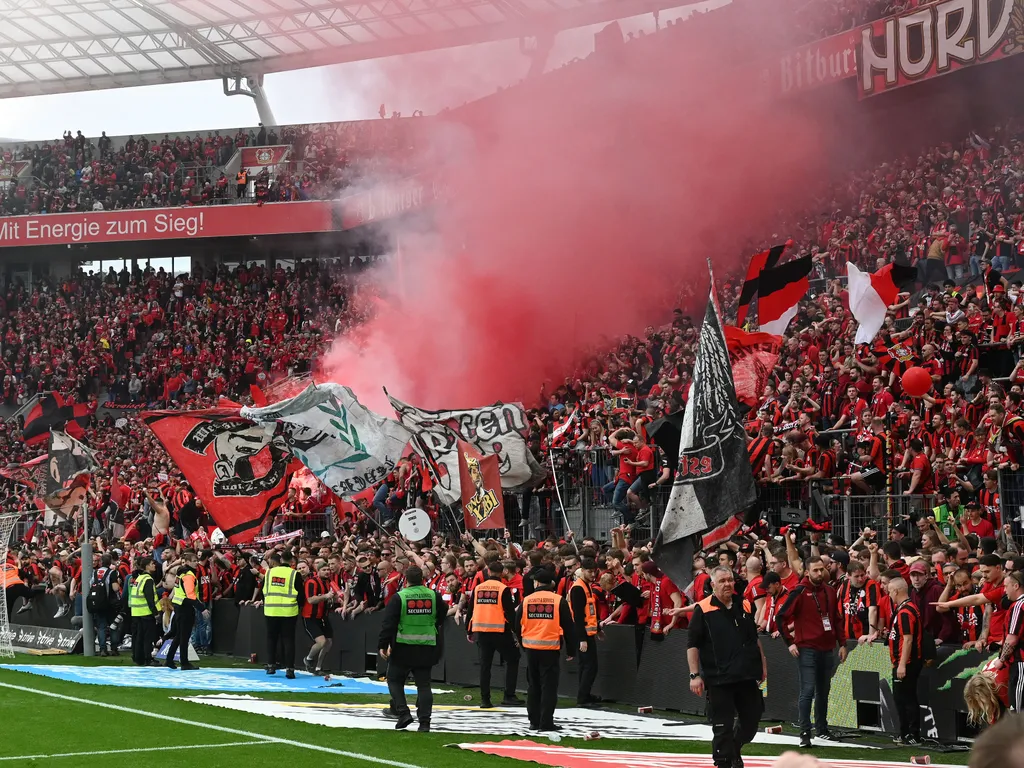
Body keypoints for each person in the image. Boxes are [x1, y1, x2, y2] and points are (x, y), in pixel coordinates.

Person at [687, 565, 767, 768]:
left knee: (752, 721)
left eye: (730, 580)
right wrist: (694, 675)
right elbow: (692, 645)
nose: (727, 584)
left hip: (747, 675)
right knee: (722, 726)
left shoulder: (746, 605)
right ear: (713, 585)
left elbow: (754, 638)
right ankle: (723, 761)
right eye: (722, 581)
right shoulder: (703, 609)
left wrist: (763, 664)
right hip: (719, 678)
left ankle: (735, 748)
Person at [776, 555, 847, 748]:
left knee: (824, 690)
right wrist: (789, 642)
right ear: (807, 572)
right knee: (808, 690)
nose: (819, 573)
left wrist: (842, 643)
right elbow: (781, 617)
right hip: (806, 647)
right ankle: (805, 732)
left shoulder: (830, 591)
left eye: (821, 569)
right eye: (815, 570)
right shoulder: (799, 591)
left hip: (827, 647)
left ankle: (821, 729)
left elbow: (837, 618)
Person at [378, 565, 445, 732]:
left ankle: (403, 713)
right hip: (427, 645)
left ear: (406, 580)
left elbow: (389, 624)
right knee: (424, 685)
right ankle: (424, 722)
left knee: (394, 680)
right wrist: (432, 624)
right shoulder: (434, 595)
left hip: (403, 647)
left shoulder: (399, 597)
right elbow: (442, 614)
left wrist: (383, 645)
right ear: (422, 579)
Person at [515, 566, 576, 732]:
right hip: (550, 648)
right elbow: (569, 628)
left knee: (533, 686)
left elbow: (516, 624)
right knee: (548, 687)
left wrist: (523, 644)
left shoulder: (527, 600)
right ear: (551, 583)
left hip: (531, 649)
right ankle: (546, 722)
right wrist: (571, 650)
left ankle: (533, 721)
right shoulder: (558, 601)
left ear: (536, 583)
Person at [466, 560, 523, 708]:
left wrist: (468, 630)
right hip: (500, 631)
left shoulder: (478, 588)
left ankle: (485, 699)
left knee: (485, 666)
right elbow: (510, 613)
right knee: (513, 659)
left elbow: (471, 609)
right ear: (502, 572)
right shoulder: (503, 589)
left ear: (488, 572)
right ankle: (509, 695)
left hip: (481, 632)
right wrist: (516, 632)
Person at [886, 576, 923, 745]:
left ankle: (910, 734)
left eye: (889, 592)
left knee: (905, 699)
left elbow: (908, 639)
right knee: (904, 698)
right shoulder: (907, 608)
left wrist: (902, 664)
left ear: (896, 591)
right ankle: (907, 733)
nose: (889, 595)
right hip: (907, 661)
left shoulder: (905, 611)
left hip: (906, 662)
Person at [988, 570, 1024, 712]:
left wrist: (1001, 660)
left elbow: (1013, 638)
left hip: (1021, 663)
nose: (1004, 590)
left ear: (1016, 586)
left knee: (1019, 708)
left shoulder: (1018, 606)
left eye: (1006, 586)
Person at [569, 557, 602, 707]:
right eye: (589, 571)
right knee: (589, 666)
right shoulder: (578, 588)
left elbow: (590, 612)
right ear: (582, 571)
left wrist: (598, 629)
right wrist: (582, 638)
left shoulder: (585, 586)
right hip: (582, 634)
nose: (592, 574)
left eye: (594, 572)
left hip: (587, 633)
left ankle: (585, 695)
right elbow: (578, 615)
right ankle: (583, 698)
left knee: (587, 666)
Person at [263, 551, 300, 679]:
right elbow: (301, 595)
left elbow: (264, 591)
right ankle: (290, 669)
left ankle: (271, 666)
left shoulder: (269, 573)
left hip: (271, 611)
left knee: (271, 639)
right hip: (289, 612)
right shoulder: (295, 574)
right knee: (288, 640)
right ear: (292, 561)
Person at [166, 550, 201, 670]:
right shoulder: (189, 576)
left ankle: (169, 659)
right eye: (194, 561)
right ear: (186, 562)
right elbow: (190, 595)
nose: (196, 563)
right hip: (185, 607)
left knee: (179, 635)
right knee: (184, 637)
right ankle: (185, 663)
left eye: (197, 560)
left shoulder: (180, 574)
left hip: (178, 606)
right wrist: (202, 608)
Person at [301, 563, 337, 675]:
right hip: (310, 617)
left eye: (328, 570)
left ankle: (318, 667)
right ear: (318, 570)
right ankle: (309, 659)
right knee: (321, 642)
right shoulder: (311, 582)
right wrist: (326, 596)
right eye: (324, 570)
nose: (327, 572)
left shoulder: (328, 582)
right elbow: (311, 600)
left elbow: (330, 598)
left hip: (323, 616)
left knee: (329, 642)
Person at [128, 556, 159, 666]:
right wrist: (155, 613)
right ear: (146, 566)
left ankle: (138, 657)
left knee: (138, 637)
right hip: (146, 612)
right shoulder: (148, 579)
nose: (154, 565)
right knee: (147, 638)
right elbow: (150, 598)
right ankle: (148, 658)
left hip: (136, 612)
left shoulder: (139, 578)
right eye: (152, 563)